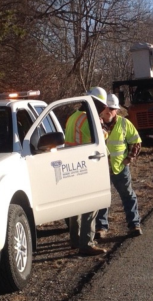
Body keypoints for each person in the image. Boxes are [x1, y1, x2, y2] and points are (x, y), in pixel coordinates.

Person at [66, 86, 108, 256]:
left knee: (75, 205)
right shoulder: (87, 119)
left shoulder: (72, 117)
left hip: (72, 165)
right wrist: (104, 130)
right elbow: (100, 137)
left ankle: (75, 240)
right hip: (86, 165)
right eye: (101, 106)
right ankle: (86, 243)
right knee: (91, 205)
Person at [96, 93, 143, 238]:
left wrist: (129, 158)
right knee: (101, 199)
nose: (108, 111)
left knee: (128, 195)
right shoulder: (95, 124)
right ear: (102, 109)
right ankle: (101, 228)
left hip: (120, 168)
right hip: (100, 169)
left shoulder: (124, 123)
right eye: (106, 108)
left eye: (112, 108)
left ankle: (134, 225)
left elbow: (136, 142)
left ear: (116, 110)